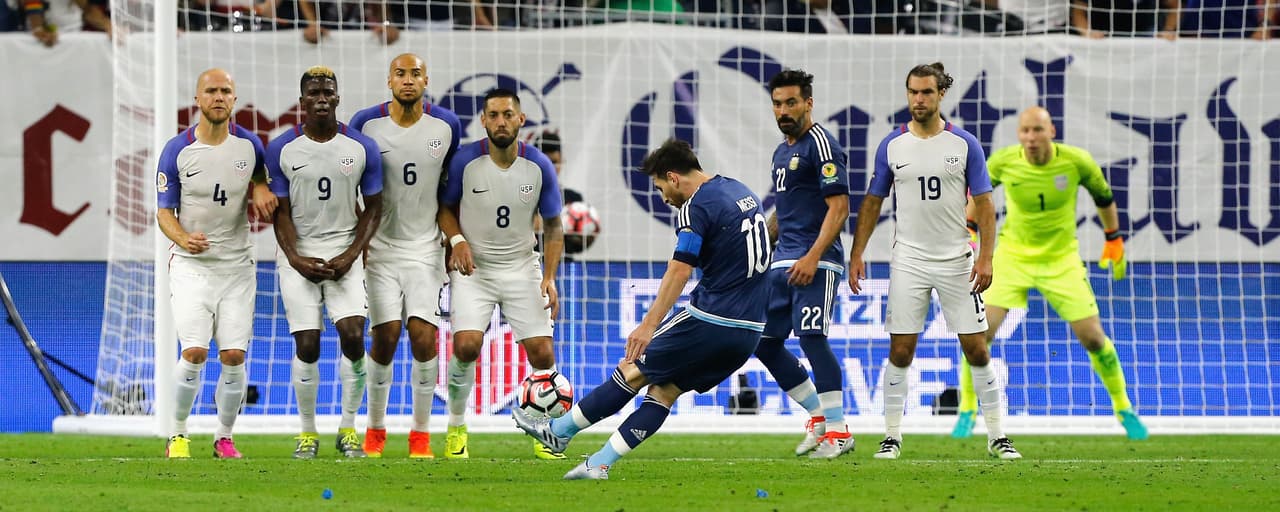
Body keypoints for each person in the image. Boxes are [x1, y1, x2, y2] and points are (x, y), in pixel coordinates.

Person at [513, 139, 771, 480]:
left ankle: (558, 431)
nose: (663, 197)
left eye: (661, 187)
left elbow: (681, 269)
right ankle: (598, 464)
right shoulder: (740, 191)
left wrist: (648, 325)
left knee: (632, 368)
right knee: (664, 392)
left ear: (673, 177)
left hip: (712, 319)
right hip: (750, 332)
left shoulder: (695, 207)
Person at [848, 62, 1021, 460]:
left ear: (941, 94)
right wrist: (858, 252)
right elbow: (873, 202)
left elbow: (986, 205)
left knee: (977, 349)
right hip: (908, 259)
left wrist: (987, 258)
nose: (918, 99)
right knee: (901, 351)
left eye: (926, 92)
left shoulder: (964, 145)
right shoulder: (892, 145)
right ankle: (891, 436)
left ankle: (997, 436)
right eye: (913, 92)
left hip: (957, 259)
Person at [951, 107, 1148, 441]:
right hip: (1013, 256)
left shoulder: (1076, 161)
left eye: (1037, 131)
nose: (1030, 138)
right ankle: (967, 410)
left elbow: (1104, 197)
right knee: (979, 334)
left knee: (1093, 337)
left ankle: (1123, 408)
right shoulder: (1002, 162)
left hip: (1061, 259)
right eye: (1025, 131)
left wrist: (1113, 238)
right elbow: (979, 197)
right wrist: (969, 228)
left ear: (1051, 131)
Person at [437, 88, 565, 460]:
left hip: (522, 267)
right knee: (466, 347)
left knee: (543, 353)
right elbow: (443, 209)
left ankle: (549, 433)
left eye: (508, 114)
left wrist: (550, 277)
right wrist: (457, 239)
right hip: (474, 268)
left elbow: (555, 227)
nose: (500, 121)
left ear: (521, 120)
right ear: (484, 121)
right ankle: (456, 427)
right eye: (493, 115)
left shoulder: (538, 165)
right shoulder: (465, 161)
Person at [157, 68, 277, 459]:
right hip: (193, 267)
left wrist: (260, 187)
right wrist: (182, 238)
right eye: (211, 91)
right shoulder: (177, 150)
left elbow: (260, 178)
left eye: (226, 90)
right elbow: (163, 212)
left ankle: (224, 437)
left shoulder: (250, 147)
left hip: (237, 267)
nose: (219, 97)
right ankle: (177, 434)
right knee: (193, 351)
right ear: (197, 99)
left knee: (234, 355)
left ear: (235, 97)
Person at [348, 54, 462, 459]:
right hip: (379, 248)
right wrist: (356, 244)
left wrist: (455, 240)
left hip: (424, 248)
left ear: (426, 80)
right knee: (385, 337)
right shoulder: (365, 124)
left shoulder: (446, 126)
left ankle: (420, 435)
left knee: (423, 336)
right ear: (389, 81)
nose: (408, 80)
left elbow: (451, 188)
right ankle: (375, 431)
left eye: (415, 74)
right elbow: (352, 186)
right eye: (401, 73)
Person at [267, 65, 384, 459]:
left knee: (353, 336)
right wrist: (296, 257)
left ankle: (348, 428)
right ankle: (307, 432)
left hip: (344, 254)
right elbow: (279, 212)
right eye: (313, 92)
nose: (321, 98)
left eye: (327, 92)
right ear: (301, 102)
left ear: (337, 99)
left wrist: (352, 254)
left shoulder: (361, 147)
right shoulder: (281, 147)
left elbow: (374, 207)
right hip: (298, 255)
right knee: (309, 343)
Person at [754, 69, 852, 459]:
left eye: (791, 102)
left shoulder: (821, 145)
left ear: (808, 103)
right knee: (763, 342)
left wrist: (813, 256)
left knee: (812, 338)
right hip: (782, 263)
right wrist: (760, 246)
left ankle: (839, 432)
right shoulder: (782, 151)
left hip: (817, 262)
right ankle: (818, 416)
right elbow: (783, 208)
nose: (783, 110)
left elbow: (840, 207)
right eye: (777, 104)